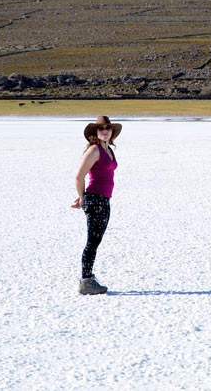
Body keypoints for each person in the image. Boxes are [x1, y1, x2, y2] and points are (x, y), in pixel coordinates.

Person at [71, 115, 121, 295]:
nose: (105, 131)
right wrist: (82, 197)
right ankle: (86, 281)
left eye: (108, 128)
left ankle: (89, 279)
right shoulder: (94, 150)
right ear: (96, 132)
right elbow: (79, 176)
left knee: (96, 241)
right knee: (92, 242)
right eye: (101, 129)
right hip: (95, 199)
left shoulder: (108, 149)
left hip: (104, 199)